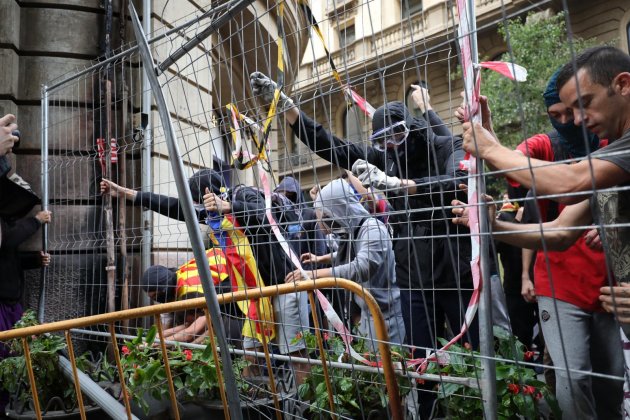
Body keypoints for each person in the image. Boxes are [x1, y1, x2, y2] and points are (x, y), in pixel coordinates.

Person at [454, 46, 630, 419]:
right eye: (564, 112)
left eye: (584, 104)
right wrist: (490, 225)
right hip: (570, 286)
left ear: (623, 85)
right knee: (576, 380)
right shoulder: (609, 152)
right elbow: (561, 231)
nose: (577, 120)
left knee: (609, 387)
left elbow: (571, 182)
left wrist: (490, 147)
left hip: (601, 287)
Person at [285, 178, 405, 349]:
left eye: (326, 215)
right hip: (368, 316)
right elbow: (350, 254)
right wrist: (321, 259)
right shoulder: (355, 231)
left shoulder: (372, 228)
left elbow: (361, 266)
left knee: (389, 369)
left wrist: (312, 275)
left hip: (387, 318)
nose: (324, 221)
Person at [139, 250, 240, 345]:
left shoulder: (191, 292)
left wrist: (162, 342)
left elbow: (193, 330)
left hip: (235, 274)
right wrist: (156, 337)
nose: (156, 300)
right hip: (219, 264)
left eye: (156, 296)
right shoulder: (176, 278)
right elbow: (189, 325)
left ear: (165, 289)